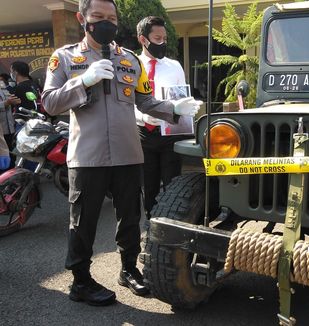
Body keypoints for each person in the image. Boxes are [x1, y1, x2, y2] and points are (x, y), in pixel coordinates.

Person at [41, 0, 201, 306]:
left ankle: (128, 270)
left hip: (129, 152)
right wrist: (83, 81)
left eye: (111, 18)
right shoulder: (64, 58)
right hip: (88, 156)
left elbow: (145, 101)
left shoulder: (129, 59)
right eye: (98, 17)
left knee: (130, 217)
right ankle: (81, 281)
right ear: (82, 18)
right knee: (83, 221)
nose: (106, 23)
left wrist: (174, 109)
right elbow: (49, 103)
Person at [135, 16, 196, 218]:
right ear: (143, 39)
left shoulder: (174, 66)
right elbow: (125, 102)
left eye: (165, 38)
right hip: (143, 133)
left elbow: (181, 97)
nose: (162, 42)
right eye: (157, 38)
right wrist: (143, 117)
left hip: (170, 133)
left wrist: (188, 108)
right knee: (149, 184)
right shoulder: (132, 65)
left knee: (172, 182)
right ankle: (151, 222)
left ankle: (170, 222)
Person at [0, 75, 19, 169]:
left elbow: (9, 99)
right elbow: (5, 103)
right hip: (1, 130)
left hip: (10, 127)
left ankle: (10, 177)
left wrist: (13, 101)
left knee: (12, 155)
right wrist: (5, 103)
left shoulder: (2, 85)